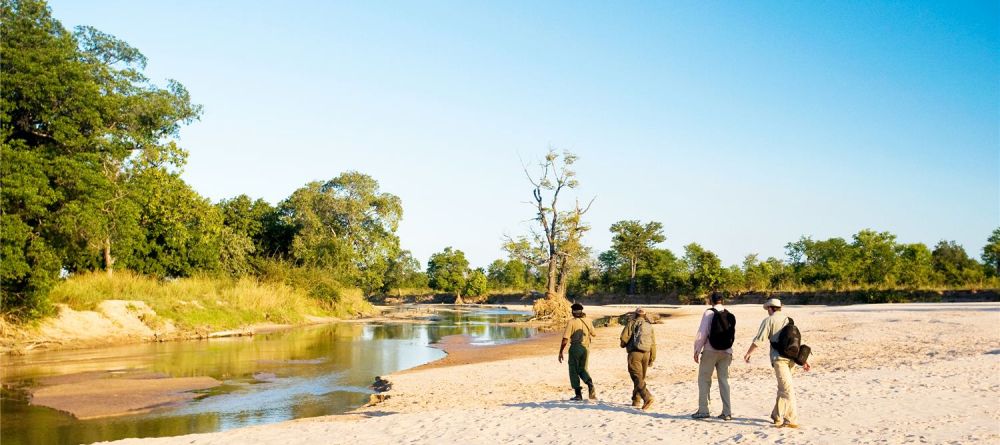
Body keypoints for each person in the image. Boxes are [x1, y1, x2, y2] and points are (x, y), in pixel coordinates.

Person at [743, 298, 811, 428]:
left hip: (779, 359)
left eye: (767, 309)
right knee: (784, 388)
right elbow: (794, 342)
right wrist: (803, 360)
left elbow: (759, 340)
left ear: (770, 308)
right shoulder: (789, 320)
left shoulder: (768, 320)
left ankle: (790, 419)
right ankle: (777, 416)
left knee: (786, 389)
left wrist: (748, 353)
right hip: (791, 359)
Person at [692, 292, 734, 420]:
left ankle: (704, 410)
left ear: (711, 301)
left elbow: (702, 333)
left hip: (710, 351)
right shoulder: (729, 314)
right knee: (724, 381)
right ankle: (727, 412)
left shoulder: (709, 313)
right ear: (722, 301)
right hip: (727, 351)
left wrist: (697, 350)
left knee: (704, 380)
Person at [558, 303, 597, 401]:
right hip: (586, 349)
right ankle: (589, 383)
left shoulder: (572, 322)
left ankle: (578, 394)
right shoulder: (588, 321)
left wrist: (561, 351)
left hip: (575, 348)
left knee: (573, 370)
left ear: (573, 312)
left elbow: (565, 338)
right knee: (583, 369)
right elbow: (594, 334)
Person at [620, 307, 656, 410]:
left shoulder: (632, 323)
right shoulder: (649, 326)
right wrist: (652, 358)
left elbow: (624, 338)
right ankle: (636, 400)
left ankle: (647, 397)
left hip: (635, 353)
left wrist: (623, 345)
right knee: (641, 378)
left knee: (636, 377)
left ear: (636, 314)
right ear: (645, 315)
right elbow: (653, 343)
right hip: (646, 353)